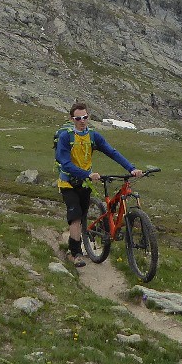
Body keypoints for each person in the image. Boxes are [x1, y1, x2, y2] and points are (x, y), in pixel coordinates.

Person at [55, 101, 142, 268]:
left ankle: (92, 238)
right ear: (72, 119)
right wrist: (87, 174)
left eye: (85, 117)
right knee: (76, 218)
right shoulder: (66, 136)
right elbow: (65, 163)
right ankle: (75, 254)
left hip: (86, 183)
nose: (82, 120)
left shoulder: (93, 136)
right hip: (68, 183)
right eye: (78, 118)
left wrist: (131, 168)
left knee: (83, 216)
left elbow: (112, 152)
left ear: (89, 116)